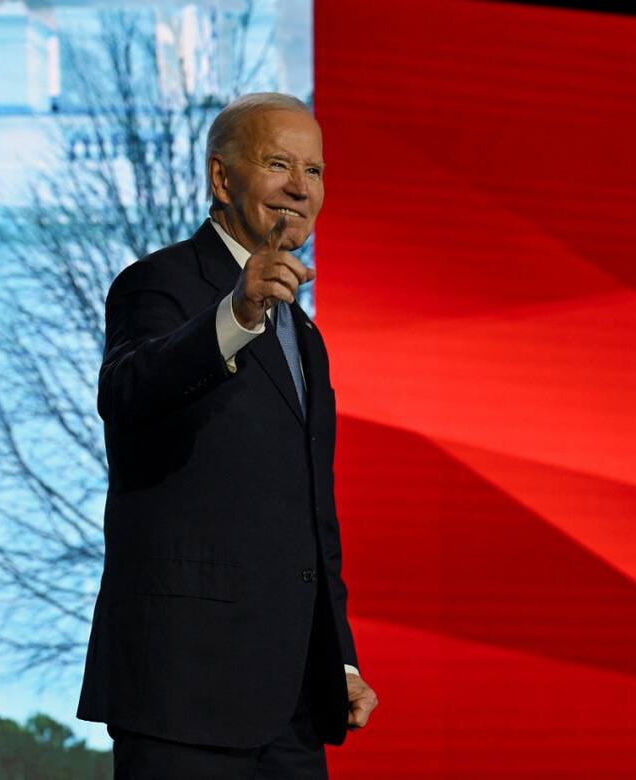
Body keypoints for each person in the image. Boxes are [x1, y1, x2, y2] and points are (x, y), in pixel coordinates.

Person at [75, 93, 378, 779]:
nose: (302, 188)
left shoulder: (305, 336)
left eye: (316, 171)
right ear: (222, 179)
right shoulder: (158, 284)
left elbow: (309, 516)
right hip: (185, 694)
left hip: (294, 704)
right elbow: (126, 392)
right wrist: (236, 313)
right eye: (278, 164)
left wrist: (339, 657)